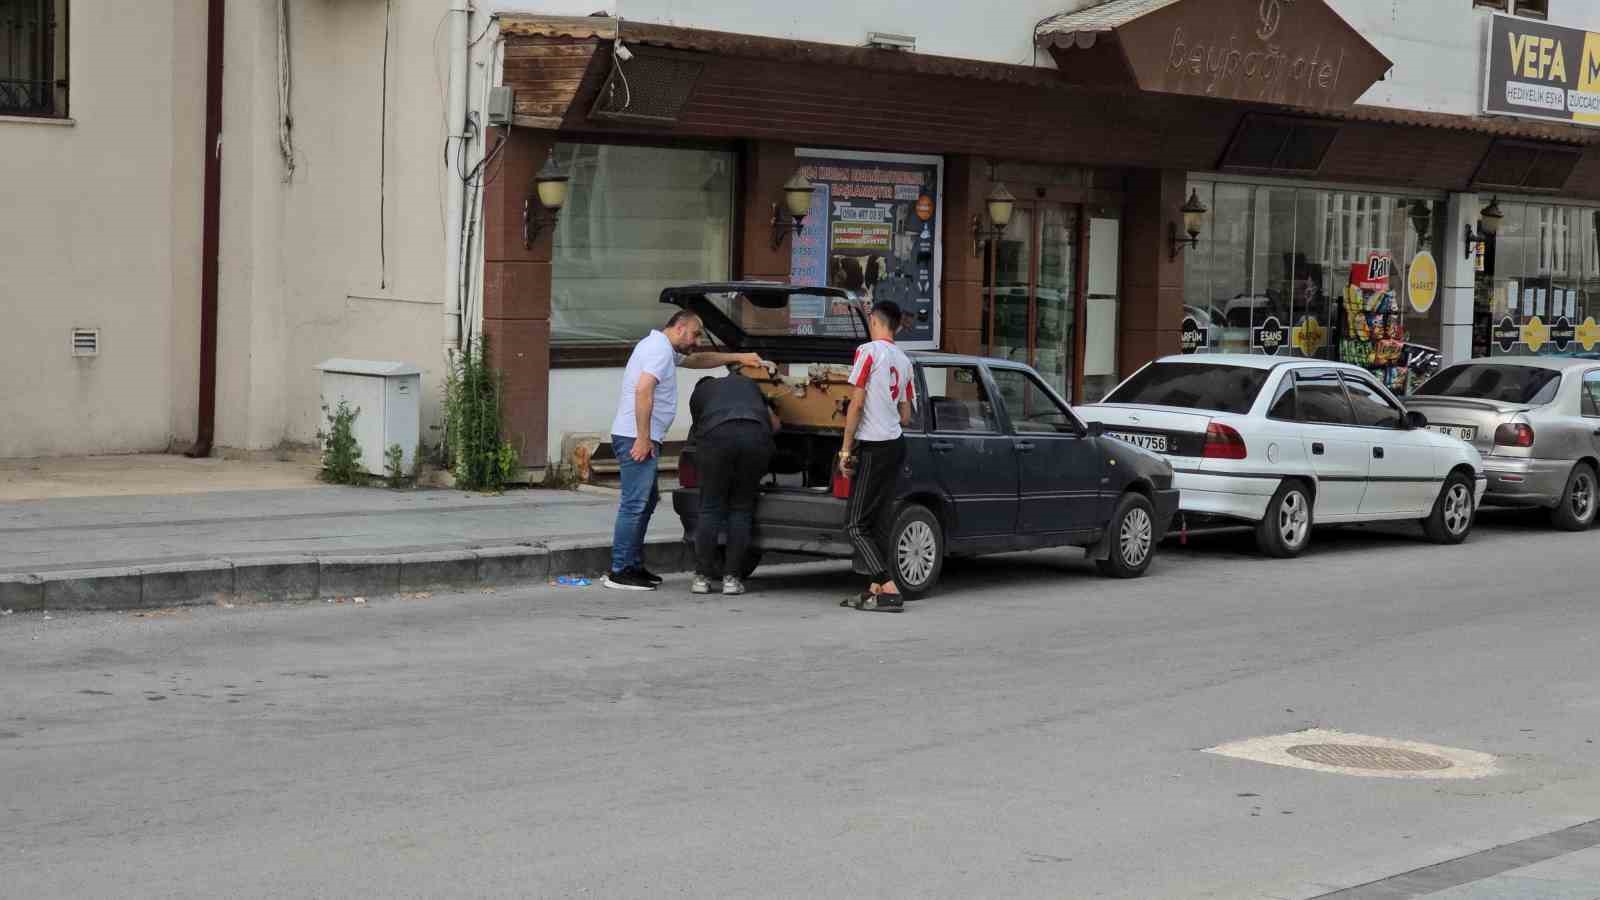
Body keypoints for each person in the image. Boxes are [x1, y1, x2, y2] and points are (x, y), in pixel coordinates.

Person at [604, 311, 767, 592]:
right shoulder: (658, 349)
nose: (697, 341)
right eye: (695, 334)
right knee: (634, 504)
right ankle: (620, 570)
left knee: (646, 500)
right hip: (636, 436)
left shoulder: (663, 348)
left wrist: (737, 357)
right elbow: (644, 390)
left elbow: (696, 360)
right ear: (679, 328)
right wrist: (643, 438)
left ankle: (633, 564)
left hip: (640, 435)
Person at [837, 301, 916, 613]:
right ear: (895, 326)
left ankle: (889, 587)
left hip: (874, 444)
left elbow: (856, 404)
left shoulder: (867, 352)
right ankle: (873, 591)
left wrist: (845, 449)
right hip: (896, 444)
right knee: (878, 520)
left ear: (873, 321)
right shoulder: (905, 361)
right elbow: (907, 415)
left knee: (855, 524)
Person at [687, 367, 781, 596]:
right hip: (755, 438)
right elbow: (776, 425)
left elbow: (697, 431)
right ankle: (731, 579)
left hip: (716, 440)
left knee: (709, 508)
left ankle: (702, 578)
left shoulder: (701, 393)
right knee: (741, 508)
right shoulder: (749, 385)